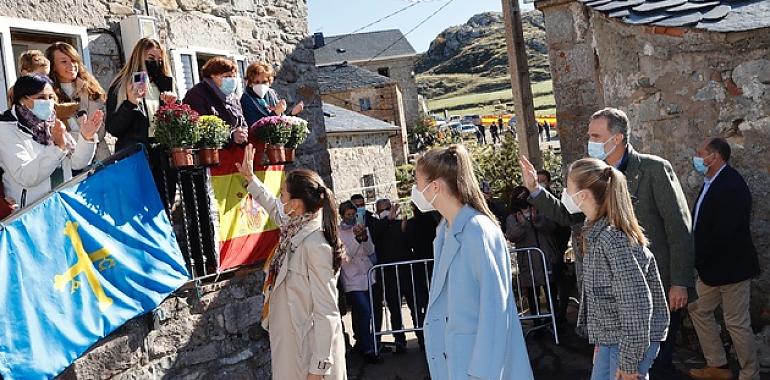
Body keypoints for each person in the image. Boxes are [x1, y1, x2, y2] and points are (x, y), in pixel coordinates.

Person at [520, 107, 694, 377]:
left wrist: (680, 281)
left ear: (617, 138)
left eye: (595, 135)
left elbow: (678, 228)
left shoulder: (653, 169)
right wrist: (535, 190)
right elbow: (566, 214)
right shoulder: (595, 175)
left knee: (654, 363)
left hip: (653, 284)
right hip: (613, 313)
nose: (590, 141)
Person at [416, 144, 533, 380]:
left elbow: (495, 311)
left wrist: (483, 374)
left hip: (479, 369)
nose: (415, 189)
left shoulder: (477, 231)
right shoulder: (445, 231)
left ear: (435, 186)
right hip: (457, 362)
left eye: (417, 181)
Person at [236, 144, 347, 380]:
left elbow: (327, 312)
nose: (280, 199)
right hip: (294, 347)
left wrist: (318, 368)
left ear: (296, 204)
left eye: (283, 195)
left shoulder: (314, 244)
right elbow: (275, 209)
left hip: (307, 356)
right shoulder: (295, 226)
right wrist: (251, 180)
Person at [564, 158, 669, 380]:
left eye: (568, 186)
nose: (564, 192)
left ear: (582, 195)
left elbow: (636, 305)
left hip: (628, 344)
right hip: (611, 341)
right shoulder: (596, 232)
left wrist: (629, 362)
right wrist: (600, 340)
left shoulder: (614, 241)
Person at [687, 138, 759, 380]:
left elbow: (724, 233)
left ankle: (750, 374)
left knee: (736, 323)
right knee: (697, 308)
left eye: (700, 153)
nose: (697, 158)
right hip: (712, 269)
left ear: (715, 157)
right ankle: (717, 366)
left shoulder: (731, 185)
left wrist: (698, 258)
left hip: (731, 269)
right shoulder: (712, 181)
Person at [0, 74, 101, 206]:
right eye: (41, 97)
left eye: (50, 97)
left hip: (62, 203)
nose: (48, 102)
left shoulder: (52, 122)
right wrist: (57, 148)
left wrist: (86, 138)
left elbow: (76, 163)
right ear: (23, 100)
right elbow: (25, 176)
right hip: (30, 211)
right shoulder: (6, 128)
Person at [105, 38, 178, 205]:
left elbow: (174, 126)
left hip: (162, 157)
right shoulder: (121, 85)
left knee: (164, 207)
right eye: (151, 58)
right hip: (135, 156)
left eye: (160, 60)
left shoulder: (164, 85)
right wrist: (130, 103)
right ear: (139, 57)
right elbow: (113, 128)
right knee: (137, 207)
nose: (156, 63)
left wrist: (173, 107)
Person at [46, 42, 111, 161]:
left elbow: (99, 131)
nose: (71, 65)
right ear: (53, 67)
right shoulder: (48, 96)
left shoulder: (91, 90)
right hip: (68, 161)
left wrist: (79, 136)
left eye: (73, 60)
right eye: (64, 61)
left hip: (99, 159)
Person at [505, 186, 560, 324]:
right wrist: (523, 224)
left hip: (545, 257)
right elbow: (511, 235)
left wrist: (535, 220)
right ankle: (536, 322)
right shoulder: (513, 218)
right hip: (528, 262)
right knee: (532, 292)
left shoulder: (541, 211)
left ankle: (555, 320)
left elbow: (551, 226)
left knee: (550, 290)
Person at [367, 198, 412, 354]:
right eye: (382, 210)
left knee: (414, 305)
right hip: (389, 274)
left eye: (388, 208)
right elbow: (374, 234)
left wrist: (397, 221)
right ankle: (399, 340)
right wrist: (387, 219)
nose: (386, 211)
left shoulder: (402, 224)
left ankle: (422, 336)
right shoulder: (376, 227)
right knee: (395, 309)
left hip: (407, 272)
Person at [338, 201, 378, 361]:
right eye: (348, 215)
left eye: (353, 215)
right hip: (352, 279)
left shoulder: (363, 227)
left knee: (363, 313)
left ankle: (363, 343)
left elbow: (370, 251)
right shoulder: (339, 233)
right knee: (365, 310)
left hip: (367, 276)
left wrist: (365, 237)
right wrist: (356, 239)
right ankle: (368, 348)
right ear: (342, 216)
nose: (352, 218)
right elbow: (345, 257)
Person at [183, 56, 248, 136]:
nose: (232, 80)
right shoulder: (197, 94)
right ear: (213, 75)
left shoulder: (233, 98)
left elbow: (243, 122)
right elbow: (200, 128)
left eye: (234, 76)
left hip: (237, 146)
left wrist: (243, 133)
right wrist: (231, 137)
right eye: (227, 76)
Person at [240, 61, 303, 127]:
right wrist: (276, 113)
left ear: (269, 82)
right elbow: (256, 127)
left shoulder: (271, 94)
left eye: (264, 82)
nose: (260, 85)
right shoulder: (246, 100)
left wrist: (292, 114)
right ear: (250, 83)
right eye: (256, 82)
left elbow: (281, 122)